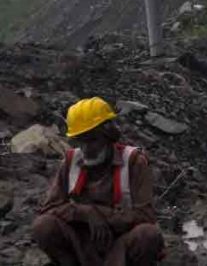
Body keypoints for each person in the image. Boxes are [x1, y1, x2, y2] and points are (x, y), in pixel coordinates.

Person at [32, 98, 163, 266]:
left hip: (121, 242)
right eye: (81, 140)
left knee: (148, 235)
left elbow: (146, 216)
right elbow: (49, 209)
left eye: (92, 140)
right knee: (43, 226)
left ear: (109, 136)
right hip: (80, 241)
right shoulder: (71, 161)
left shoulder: (134, 162)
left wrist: (103, 216)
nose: (86, 148)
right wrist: (86, 213)